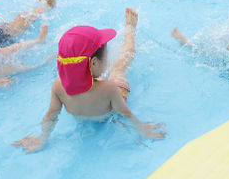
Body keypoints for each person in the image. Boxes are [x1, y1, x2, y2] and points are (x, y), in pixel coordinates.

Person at [13, 8, 166, 153]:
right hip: (109, 110)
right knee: (119, 68)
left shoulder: (58, 86)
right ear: (93, 63)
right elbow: (123, 113)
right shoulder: (109, 88)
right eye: (106, 52)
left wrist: (41, 140)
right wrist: (142, 129)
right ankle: (130, 30)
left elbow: (51, 115)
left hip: (83, 115)